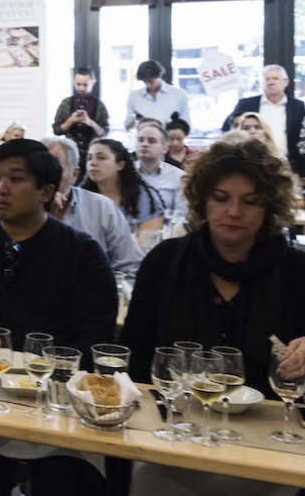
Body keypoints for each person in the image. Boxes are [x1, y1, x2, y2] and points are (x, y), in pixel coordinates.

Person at [0, 139, 117, 496]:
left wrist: (44, 369)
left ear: (46, 191)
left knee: (71, 487)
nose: (0, 189)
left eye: (15, 179)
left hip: (57, 400)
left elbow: (94, 339)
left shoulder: (82, 253)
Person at [120, 137, 305, 494]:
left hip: (271, 451)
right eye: (221, 198)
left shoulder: (296, 271)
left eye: (250, 202)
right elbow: (136, 357)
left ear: (269, 207)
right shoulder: (165, 263)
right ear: (202, 200)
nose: (233, 212)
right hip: (171, 444)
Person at [42, 137, 143, 282]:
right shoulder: (22, 212)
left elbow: (130, 267)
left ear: (74, 174)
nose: (45, 176)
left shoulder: (102, 208)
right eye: (38, 170)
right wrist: (39, 212)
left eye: (54, 168)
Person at [222, 65, 305, 175]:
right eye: (267, 79)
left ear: (286, 81)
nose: (270, 82)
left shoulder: (298, 106)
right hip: (253, 164)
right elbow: (227, 130)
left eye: (275, 78)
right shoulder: (246, 104)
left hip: (288, 167)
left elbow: (301, 139)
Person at [82, 139, 165, 232]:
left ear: (120, 165)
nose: (93, 163)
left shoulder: (143, 196)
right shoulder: (80, 197)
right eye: (89, 158)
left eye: (101, 158)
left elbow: (148, 240)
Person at [52, 66, 109, 175]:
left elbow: (104, 133)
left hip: (92, 156)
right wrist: (71, 120)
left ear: (93, 82)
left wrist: (90, 122)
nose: (81, 88)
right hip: (70, 156)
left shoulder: (99, 105)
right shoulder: (66, 103)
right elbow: (57, 130)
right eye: (78, 84)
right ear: (74, 82)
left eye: (85, 85)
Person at [135, 121, 188, 218]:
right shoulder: (124, 172)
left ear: (164, 148)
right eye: (140, 140)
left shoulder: (179, 177)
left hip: (165, 230)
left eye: (152, 141)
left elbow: (180, 216)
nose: (145, 144)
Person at [126, 60, 190, 129]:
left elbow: (186, 126)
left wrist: (170, 126)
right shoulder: (134, 97)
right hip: (143, 138)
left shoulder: (179, 95)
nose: (148, 85)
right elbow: (127, 127)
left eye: (150, 81)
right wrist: (136, 121)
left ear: (158, 75)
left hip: (168, 138)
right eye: (144, 81)